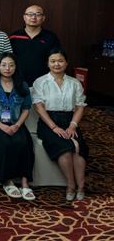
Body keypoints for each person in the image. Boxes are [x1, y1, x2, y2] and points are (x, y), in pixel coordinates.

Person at [33, 49, 88, 201]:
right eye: (53, 61)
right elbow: (38, 107)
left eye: (60, 61)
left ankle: (81, 186)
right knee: (65, 148)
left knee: (78, 147)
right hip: (48, 122)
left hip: (69, 121)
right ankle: (71, 184)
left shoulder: (74, 83)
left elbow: (80, 106)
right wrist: (53, 127)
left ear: (66, 63)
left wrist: (73, 125)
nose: (56, 64)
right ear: (48, 64)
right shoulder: (40, 82)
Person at [0, 53, 35, 201]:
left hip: (16, 124)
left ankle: (25, 183)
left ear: (16, 67)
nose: (7, 68)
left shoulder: (22, 85)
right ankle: (8, 181)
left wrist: (17, 125)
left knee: (25, 143)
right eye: (4, 65)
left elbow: (26, 109)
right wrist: (0, 125)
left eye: (11, 65)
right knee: (5, 143)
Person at [9, 5, 63, 86]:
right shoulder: (14, 37)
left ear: (43, 18)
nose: (33, 17)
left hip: (44, 83)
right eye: (30, 14)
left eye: (38, 14)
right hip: (18, 82)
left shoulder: (51, 37)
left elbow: (57, 59)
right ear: (24, 17)